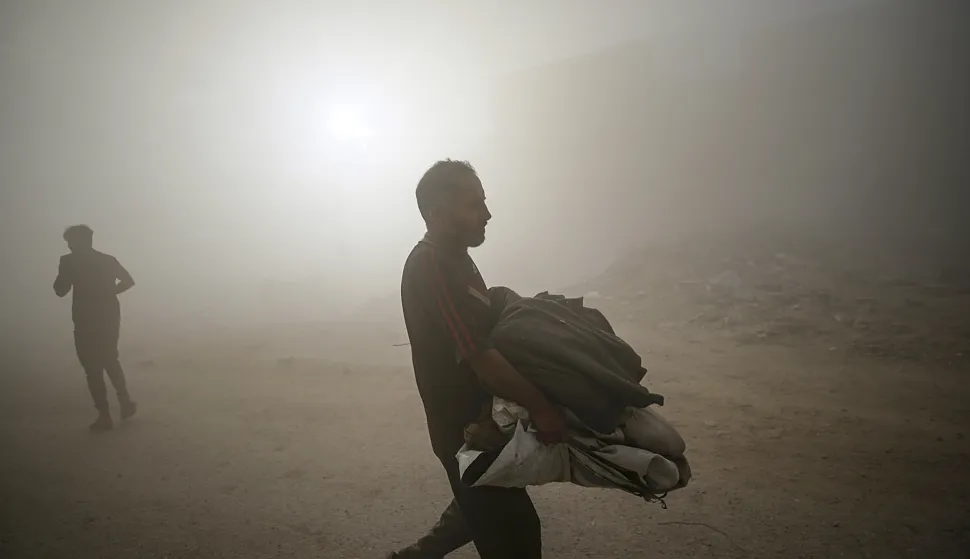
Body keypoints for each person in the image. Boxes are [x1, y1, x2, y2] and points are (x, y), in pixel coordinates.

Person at [390, 160, 567, 559]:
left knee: (481, 508)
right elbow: (477, 351)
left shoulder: (458, 258)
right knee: (514, 535)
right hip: (465, 433)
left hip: (486, 420)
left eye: (484, 202)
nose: (487, 214)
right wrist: (542, 407)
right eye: (474, 205)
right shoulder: (430, 264)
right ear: (437, 212)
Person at [53, 225, 137, 431]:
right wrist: (109, 293)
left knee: (92, 368)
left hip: (84, 319)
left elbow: (60, 290)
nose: (69, 246)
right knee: (111, 359)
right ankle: (125, 401)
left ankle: (104, 415)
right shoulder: (107, 260)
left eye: (70, 242)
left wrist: (64, 272)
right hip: (109, 315)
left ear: (75, 242)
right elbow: (128, 281)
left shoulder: (68, 261)